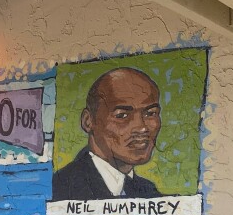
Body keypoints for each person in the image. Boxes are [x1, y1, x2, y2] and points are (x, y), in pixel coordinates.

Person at [53, 67, 163, 200]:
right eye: (122, 115)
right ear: (88, 121)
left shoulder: (149, 193)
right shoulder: (60, 188)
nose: (142, 128)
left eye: (151, 113)